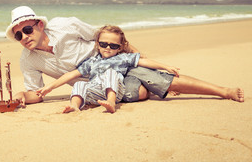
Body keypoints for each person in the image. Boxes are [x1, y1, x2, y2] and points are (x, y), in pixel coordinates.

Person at [5, 6, 244, 107]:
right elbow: (36, 93)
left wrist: (134, 56)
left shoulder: (66, 26)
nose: (24, 37)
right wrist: (19, 96)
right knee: (140, 91)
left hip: (113, 62)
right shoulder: (28, 60)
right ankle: (150, 89)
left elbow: (103, 36)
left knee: (160, 77)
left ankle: (224, 91)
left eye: (27, 29)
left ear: (39, 25)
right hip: (100, 87)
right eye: (18, 35)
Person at [36, 25, 180, 113]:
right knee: (79, 84)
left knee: (111, 73)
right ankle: (74, 106)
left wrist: (165, 67)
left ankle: (111, 102)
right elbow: (71, 75)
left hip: (116, 91)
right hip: (96, 94)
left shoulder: (122, 58)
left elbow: (144, 62)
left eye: (114, 46)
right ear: (97, 44)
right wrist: (50, 87)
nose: (108, 48)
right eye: (104, 44)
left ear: (120, 47)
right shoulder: (91, 61)